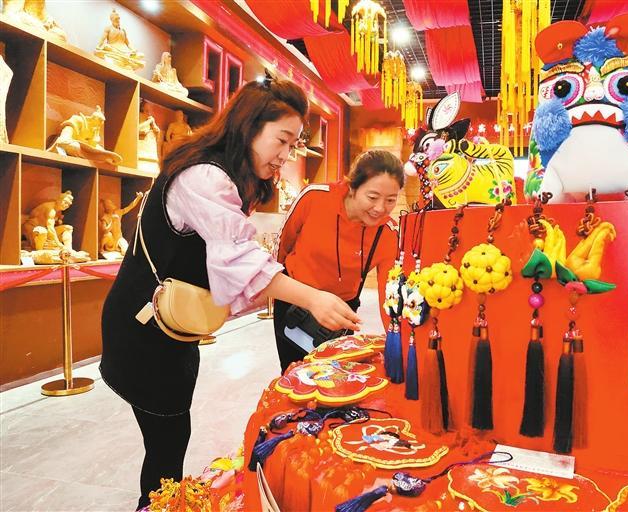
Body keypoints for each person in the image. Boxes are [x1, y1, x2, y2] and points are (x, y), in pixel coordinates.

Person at [100, 79, 360, 510]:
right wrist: (314, 297)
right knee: (167, 441)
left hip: (172, 326)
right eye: (282, 140)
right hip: (143, 326)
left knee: (170, 434)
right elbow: (241, 260)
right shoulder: (204, 176)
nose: (286, 154)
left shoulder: (228, 175)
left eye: (293, 144)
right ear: (249, 126)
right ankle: (156, 504)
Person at [274, 150, 404, 371]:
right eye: (372, 197)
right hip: (295, 303)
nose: (380, 208)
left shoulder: (388, 233)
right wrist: (275, 287)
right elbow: (282, 247)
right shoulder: (314, 198)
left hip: (340, 314)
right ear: (352, 187)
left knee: (335, 376)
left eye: (391, 200)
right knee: (295, 373)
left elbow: (389, 298)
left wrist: (397, 343)